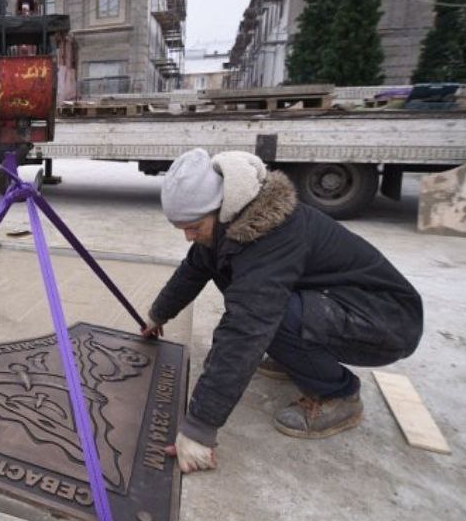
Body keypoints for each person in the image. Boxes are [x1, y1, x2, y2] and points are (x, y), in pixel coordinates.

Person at [142, 149, 422, 474]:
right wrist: (157, 315)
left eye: (192, 226)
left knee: (264, 318)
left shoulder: (272, 236)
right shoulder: (233, 219)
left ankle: (339, 395)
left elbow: (245, 330)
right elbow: (194, 268)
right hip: (337, 302)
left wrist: (199, 428)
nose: (189, 236)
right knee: (259, 304)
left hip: (386, 319)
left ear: (221, 208)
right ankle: (296, 354)